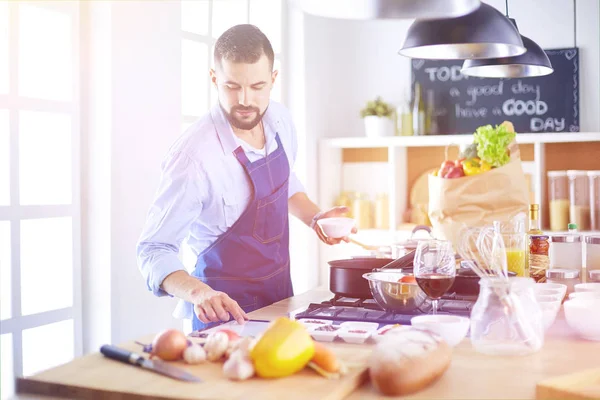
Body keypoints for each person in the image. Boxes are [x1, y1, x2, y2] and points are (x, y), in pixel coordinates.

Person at [136, 24, 355, 331]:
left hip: (281, 301)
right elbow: (153, 249)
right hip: (223, 319)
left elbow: (284, 183)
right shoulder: (194, 157)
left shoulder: (280, 120)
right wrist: (199, 293)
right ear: (214, 79)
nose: (245, 100)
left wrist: (316, 217)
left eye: (257, 87)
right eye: (232, 86)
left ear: (273, 80)